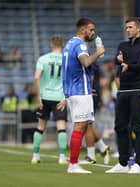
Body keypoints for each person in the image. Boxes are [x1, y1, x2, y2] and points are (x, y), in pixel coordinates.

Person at [106, 17, 140, 174]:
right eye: (126, 27)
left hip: (138, 90)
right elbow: (117, 61)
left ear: (139, 28)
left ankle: (139, 163)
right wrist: (118, 60)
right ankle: (123, 162)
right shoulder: (122, 45)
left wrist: (127, 64)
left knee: (138, 128)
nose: (127, 30)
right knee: (120, 127)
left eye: (130, 27)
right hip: (123, 91)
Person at [62, 18, 105, 174]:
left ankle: (75, 161)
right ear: (83, 30)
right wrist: (98, 53)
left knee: (82, 126)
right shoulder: (80, 45)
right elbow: (86, 62)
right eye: (91, 30)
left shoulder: (69, 44)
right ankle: (73, 164)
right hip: (79, 91)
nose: (93, 33)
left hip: (76, 91)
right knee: (81, 126)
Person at [31, 35, 68, 165]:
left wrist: (38, 96)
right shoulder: (66, 60)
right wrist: (66, 97)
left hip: (45, 96)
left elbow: (36, 78)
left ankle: (35, 155)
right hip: (60, 98)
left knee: (40, 127)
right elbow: (69, 80)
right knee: (61, 127)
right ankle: (62, 157)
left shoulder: (43, 59)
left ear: (51, 45)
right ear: (62, 45)